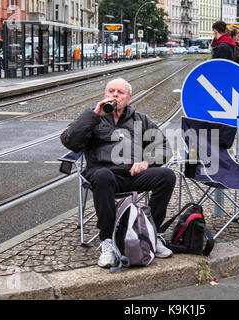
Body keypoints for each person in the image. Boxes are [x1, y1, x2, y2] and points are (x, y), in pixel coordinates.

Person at [60, 78, 175, 268]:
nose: (114, 95)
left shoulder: (140, 119)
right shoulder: (93, 118)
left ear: (128, 98)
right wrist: (93, 114)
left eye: (120, 92)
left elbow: (164, 147)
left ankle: (151, 234)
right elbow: (69, 141)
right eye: (110, 91)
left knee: (167, 176)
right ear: (105, 96)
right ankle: (107, 240)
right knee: (102, 176)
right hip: (104, 174)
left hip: (132, 174)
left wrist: (147, 162)